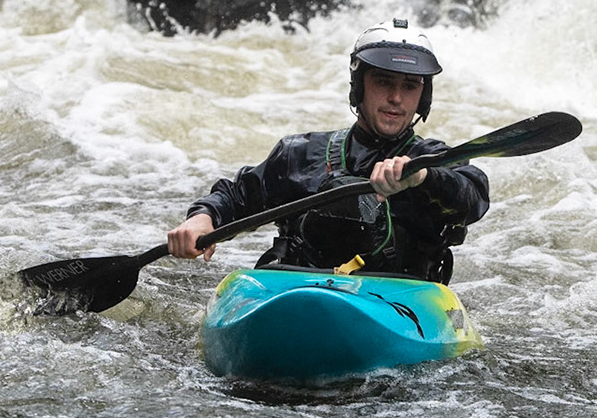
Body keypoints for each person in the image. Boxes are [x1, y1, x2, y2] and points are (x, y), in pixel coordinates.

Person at [165, 20, 489, 283]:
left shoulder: (432, 160)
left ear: (423, 95)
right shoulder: (300, 154)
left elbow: (473, 196)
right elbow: (235, 196)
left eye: (409, 86)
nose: (396, 98)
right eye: (383, 81)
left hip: (398, 302)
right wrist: (202, 219)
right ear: (359, 86)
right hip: (300, 292)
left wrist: (422, 177)